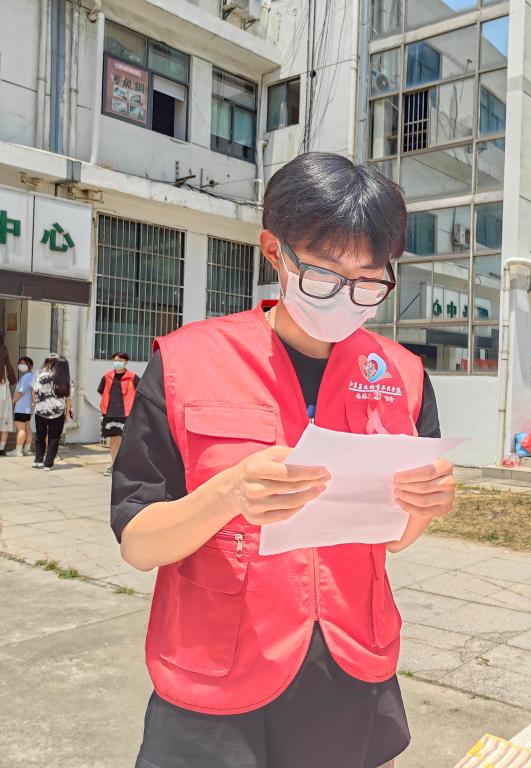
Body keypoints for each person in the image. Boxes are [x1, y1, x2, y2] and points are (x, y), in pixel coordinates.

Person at [111, 153, 456, 768]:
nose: (346, 297)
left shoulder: (400, 374)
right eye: (324, 274)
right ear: (275, 251)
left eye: (368, 280)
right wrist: (227, 495)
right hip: (216, 673)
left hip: (349, 666)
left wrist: (424, 506)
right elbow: (138, 543)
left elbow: (395, 538)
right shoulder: (188, 363)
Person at [97, 351, 138, 476]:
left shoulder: (133, 377)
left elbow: (141, 393)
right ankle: (114, 464)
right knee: (114, 440)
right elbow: (101, 392)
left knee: (127, 440)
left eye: (120, 361)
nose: (118, 363)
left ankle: (127, 465)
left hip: (127, 413)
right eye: (115, 360)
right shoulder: (107, 376)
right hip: (110, 413)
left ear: (126, 362)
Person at [32, 355, 74, 471]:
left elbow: (35, 391)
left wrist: (34, 403)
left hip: (41, 410)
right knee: (54, 438)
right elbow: (69, 399)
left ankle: (38, 460)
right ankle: (48, 464)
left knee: (40, 436)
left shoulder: (43, 376)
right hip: (58, 412)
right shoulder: (68, 381)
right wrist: (67, 414)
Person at [13, 357, 35, 457]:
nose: (21, 365)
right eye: (20, 363)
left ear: (30, 365)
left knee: (21, 429)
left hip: (21, 407)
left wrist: (13, 401)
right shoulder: (32, 376)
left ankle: (18, 451)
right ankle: (27, 449)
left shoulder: (25, 377)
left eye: (24, 363)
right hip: (28, 408)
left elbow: (20, 392)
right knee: (27, 428)